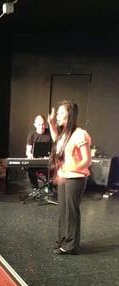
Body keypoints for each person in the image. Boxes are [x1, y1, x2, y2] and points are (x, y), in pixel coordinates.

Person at [48, 100, 91, 255]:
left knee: (71, 212)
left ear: (69, 114)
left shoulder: (80, 134)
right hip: (65, 177)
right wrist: (51, 123)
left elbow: (87, 160)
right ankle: (62, 240)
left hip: (75, 178)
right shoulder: (64, 133)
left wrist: (70, 168)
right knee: (63, 211)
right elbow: (56, 140)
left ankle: (71, 246)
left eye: (60, 113)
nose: (57, 115)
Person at [26, 115, 52, 195]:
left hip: (48, 161)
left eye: (43, 124)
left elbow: (55, 149)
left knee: (53, 167)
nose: (41, 126)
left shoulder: (50, 134)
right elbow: (27, 151)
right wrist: (30, 155)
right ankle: (35, 188)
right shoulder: (32, 135)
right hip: (36, 161)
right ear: (35, 125)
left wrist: (51, 155)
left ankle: (48, 186)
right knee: (29, 167)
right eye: (39, 124)